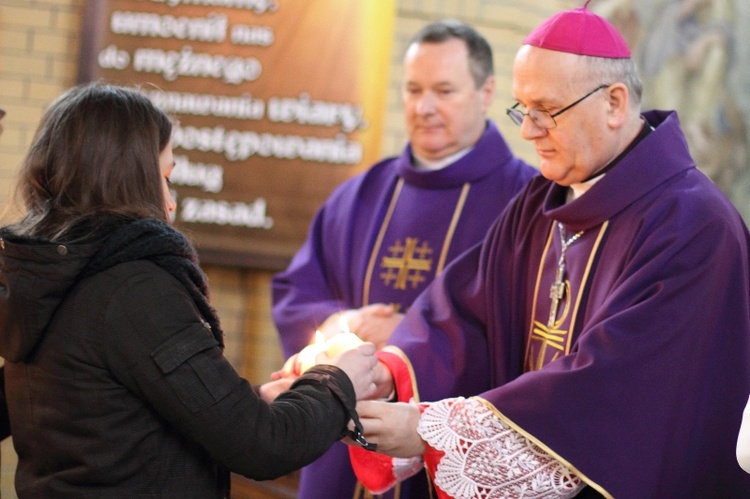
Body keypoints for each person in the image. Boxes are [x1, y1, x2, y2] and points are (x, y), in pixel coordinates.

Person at [348, 2, 750, 497]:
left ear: (615, 103)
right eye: (522, 108)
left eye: (546, 111)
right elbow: (468, 312)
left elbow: (617, 388)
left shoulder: (691, 225)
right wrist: (391, 373)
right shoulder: (543, 200)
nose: (527, 130)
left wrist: (429, 429)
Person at [0, 83, 381, 498]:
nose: (171, 202)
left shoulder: (48, 275)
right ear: (129, 179)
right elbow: (263, 446)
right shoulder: (132, 289)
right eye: (164, 178)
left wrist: (256, 401)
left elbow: (120, 410)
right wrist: (337, 379)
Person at [271, 19, 537, 499]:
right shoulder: (360, 195)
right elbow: (296, 293)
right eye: (413, 90)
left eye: (444, 90)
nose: (424, 107)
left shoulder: (527, 201)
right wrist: (345, 325)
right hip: (344, 446)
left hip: (448, 452)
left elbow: (532, 334)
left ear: (486, 91)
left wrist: (413, 345)